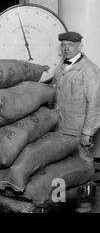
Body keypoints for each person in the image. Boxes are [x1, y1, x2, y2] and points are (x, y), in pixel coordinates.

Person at [52, 31, 100, 212]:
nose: (66, 48)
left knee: (84, 168)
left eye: (70, 45)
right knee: (61, 168)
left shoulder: (90, 71)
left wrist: (88, 132)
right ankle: (60, 203)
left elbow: (95, 104)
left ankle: (85, 204)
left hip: (77, 130)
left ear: (80, 46)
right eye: (63, 45)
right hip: (59, 128)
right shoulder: (60, 67)